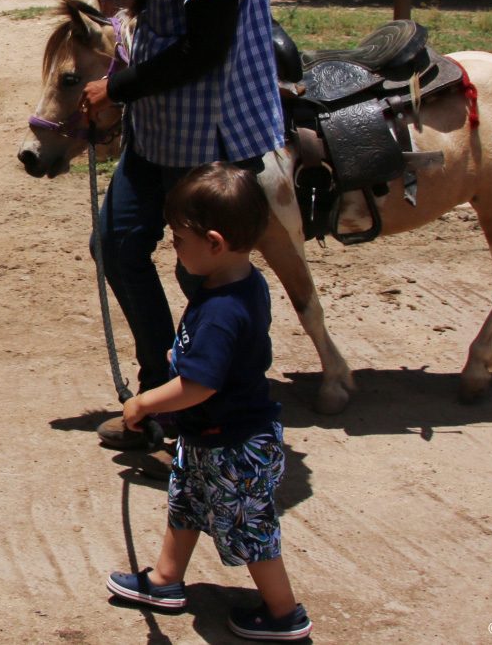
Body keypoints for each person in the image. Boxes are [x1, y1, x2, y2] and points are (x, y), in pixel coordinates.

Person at [77, 0, 284, 448]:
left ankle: (201, 415)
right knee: (116, 242)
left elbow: (207, 44)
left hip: (206, 135)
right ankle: (161, 390)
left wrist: (120, 88)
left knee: (208, 279)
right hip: (162, 130)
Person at [106, 162, 312, 641]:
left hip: (234, 446)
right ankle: (164, 579)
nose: (171, 246)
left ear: (215, 243)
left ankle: (284, 613)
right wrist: (183, 351)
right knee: (187, 504)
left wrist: (145, 404)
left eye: (178, 238)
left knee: (251, 532)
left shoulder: (220, 310)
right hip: (210, 438)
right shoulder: (242, 281)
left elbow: (200, 385)